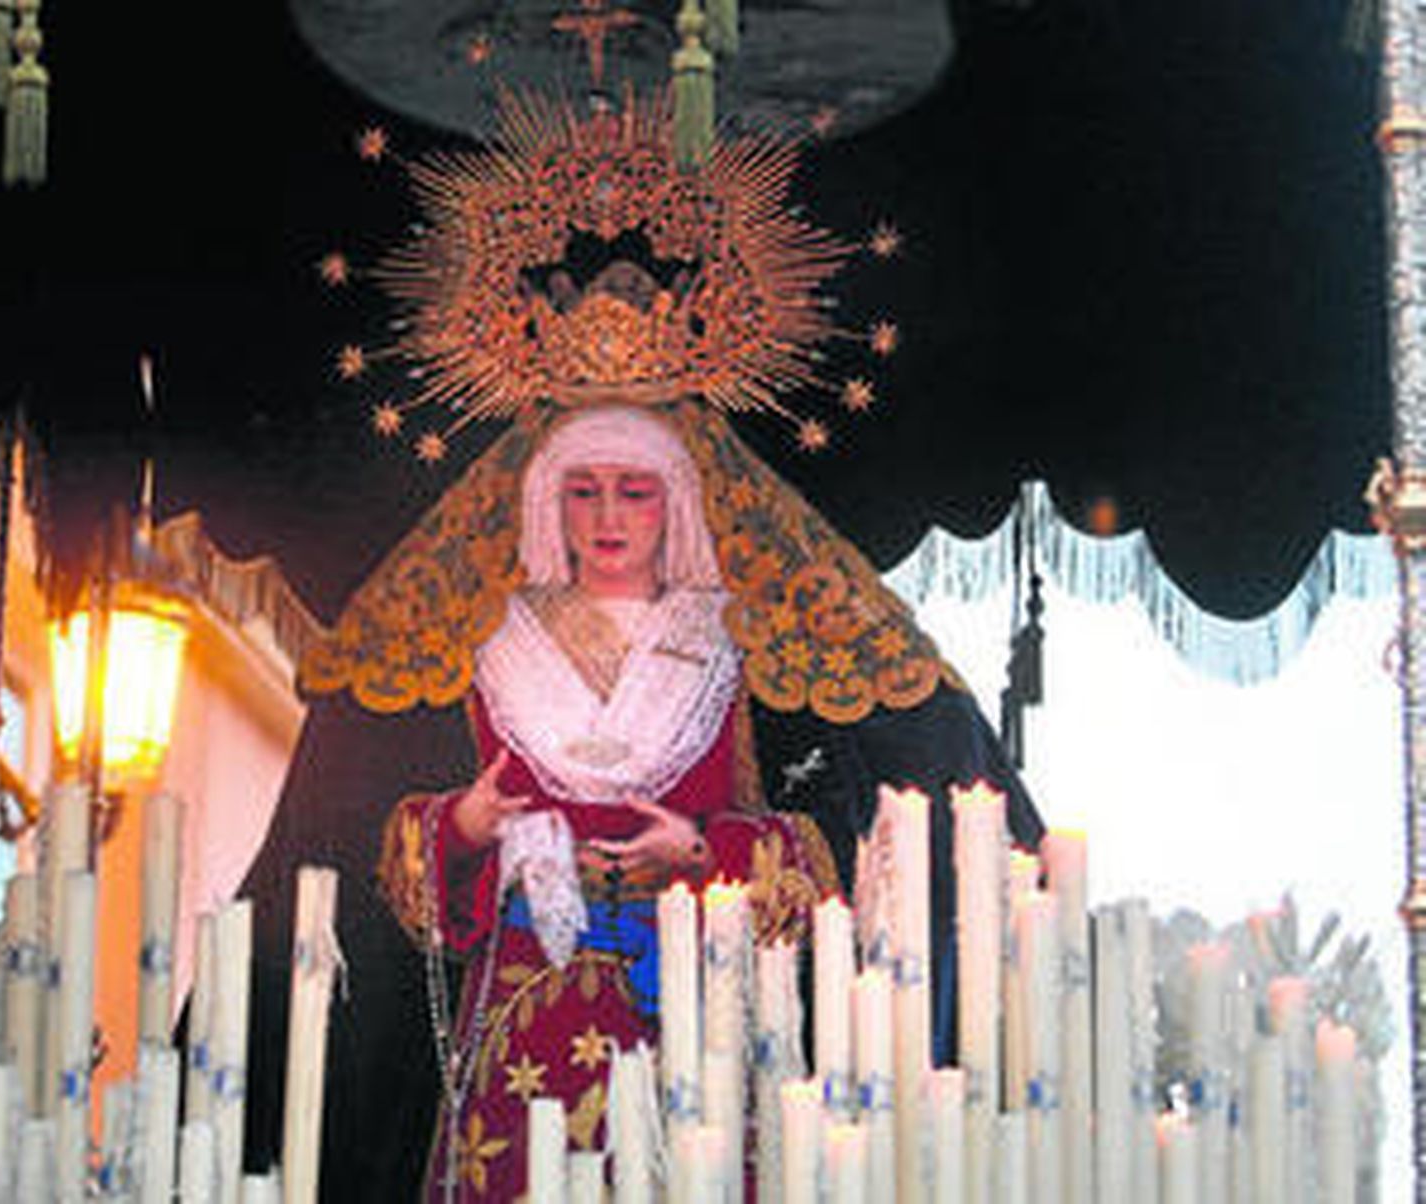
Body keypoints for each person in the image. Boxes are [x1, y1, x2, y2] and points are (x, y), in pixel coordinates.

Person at [239, 395, 1043, 1203]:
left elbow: (842, 850)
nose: (607, 517)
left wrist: (702, 854)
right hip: (520, 1012)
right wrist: (463, 825)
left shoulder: (736, 642)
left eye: (636, 489)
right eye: (582, 490)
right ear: (546, 502)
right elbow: (374, 864)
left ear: (678, 502)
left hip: (689, 1008)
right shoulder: (486, 645)